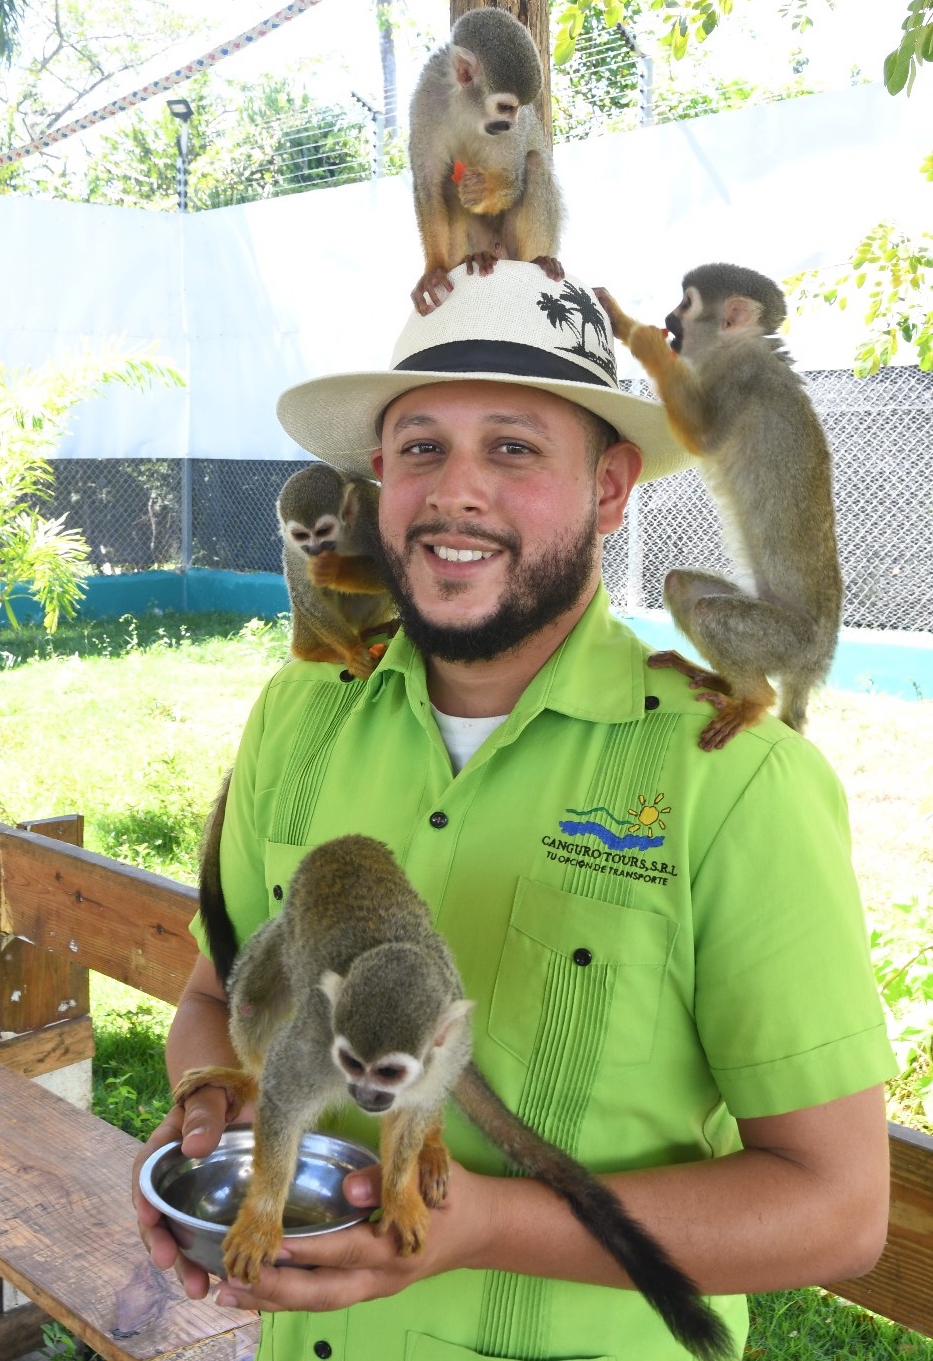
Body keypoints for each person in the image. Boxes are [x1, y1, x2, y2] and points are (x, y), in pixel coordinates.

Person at [134, 260, 896, 1361]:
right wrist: (212, 1110)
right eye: (420, 448)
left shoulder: (734, 779)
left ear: (611, 489)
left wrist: (485, 1227)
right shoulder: (300, 713)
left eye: (513, 448)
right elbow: (218, 998)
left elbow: (838, 1210)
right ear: (377, 483)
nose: (456, 492)